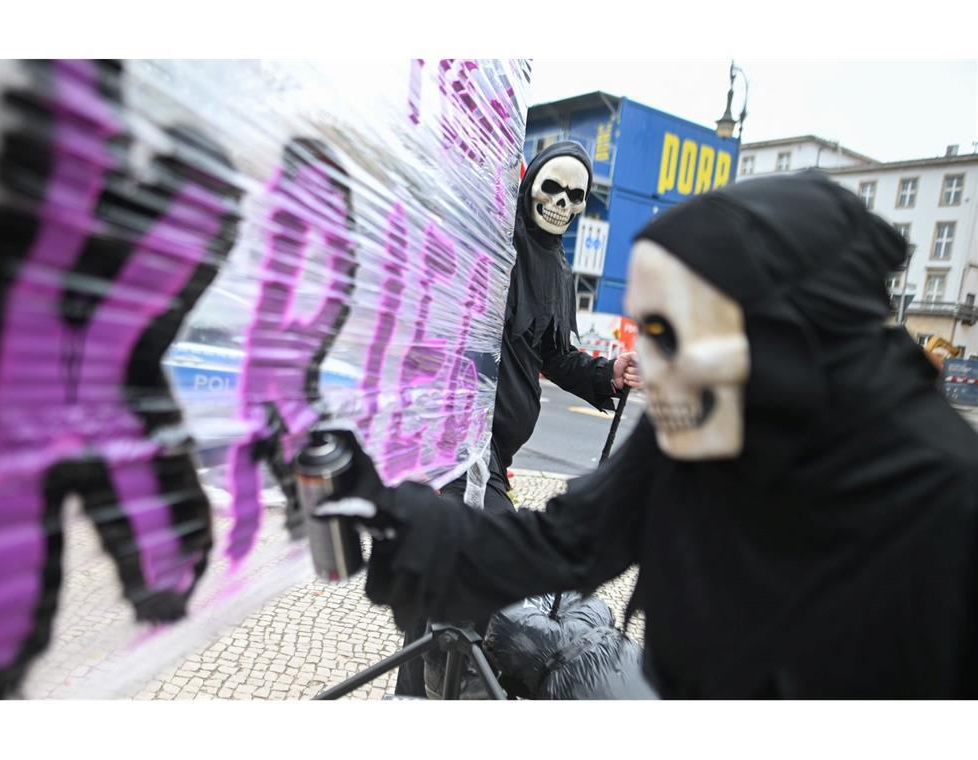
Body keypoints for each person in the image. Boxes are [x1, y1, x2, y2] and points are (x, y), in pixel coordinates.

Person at [319, 171, 978, 698]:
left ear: (776, 322)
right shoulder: (702, 426)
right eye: (649, 329)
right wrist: (387, 514)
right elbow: (561, 543)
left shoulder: (946, 491)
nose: (656, 363)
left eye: (672, 331)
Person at [395, 141, 641, 697]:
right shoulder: (493, 243)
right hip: (454, 445)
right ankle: (419, 693)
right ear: (529, 183)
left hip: (495, 460)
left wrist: (608, 375)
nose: (560, 202)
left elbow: (554, 355)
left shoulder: (555, 267)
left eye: (575, 196)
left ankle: (432, 690)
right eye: (551, 186)